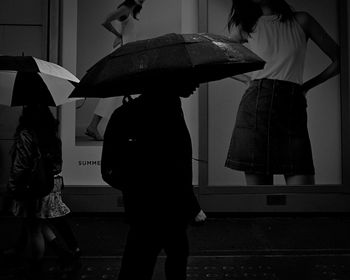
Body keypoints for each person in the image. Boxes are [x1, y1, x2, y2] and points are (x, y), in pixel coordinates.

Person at [225, 0, 340, 185]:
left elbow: (340, 59)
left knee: (302, 198)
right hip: (255, 108)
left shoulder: (302, 20)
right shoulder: (246, 25)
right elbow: (219, 59)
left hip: (292, 107)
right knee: (259, 201)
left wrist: (307, 86)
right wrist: (248, 79)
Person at [102, 82, 206, 280]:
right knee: (172, 264)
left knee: (137, 267)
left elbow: (109, 170)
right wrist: (190, 205)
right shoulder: (170, 114)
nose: (196, 83)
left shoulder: (125, 114)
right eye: (188, 77)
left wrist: (136, 191)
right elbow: (177, 169)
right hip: (168, 212)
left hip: (143, 212)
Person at [6, 104, 80, 277]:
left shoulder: (26, 134)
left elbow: (20, 166)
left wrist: (12, 187)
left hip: (30, 188)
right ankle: (65, 254)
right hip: (47, 186)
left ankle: (37, 266)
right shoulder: (51, 135)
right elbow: (57, 165)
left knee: (34, 228)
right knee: (39, 223)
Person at [85, 0, 146, 141]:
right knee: (119, 90)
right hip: (123, 53)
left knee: (125, 90)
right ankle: (94, 126)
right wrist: (119, 35)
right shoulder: (125, 8)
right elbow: (105, 21)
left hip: (129, 53)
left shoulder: (133, 11)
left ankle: (96, 126)